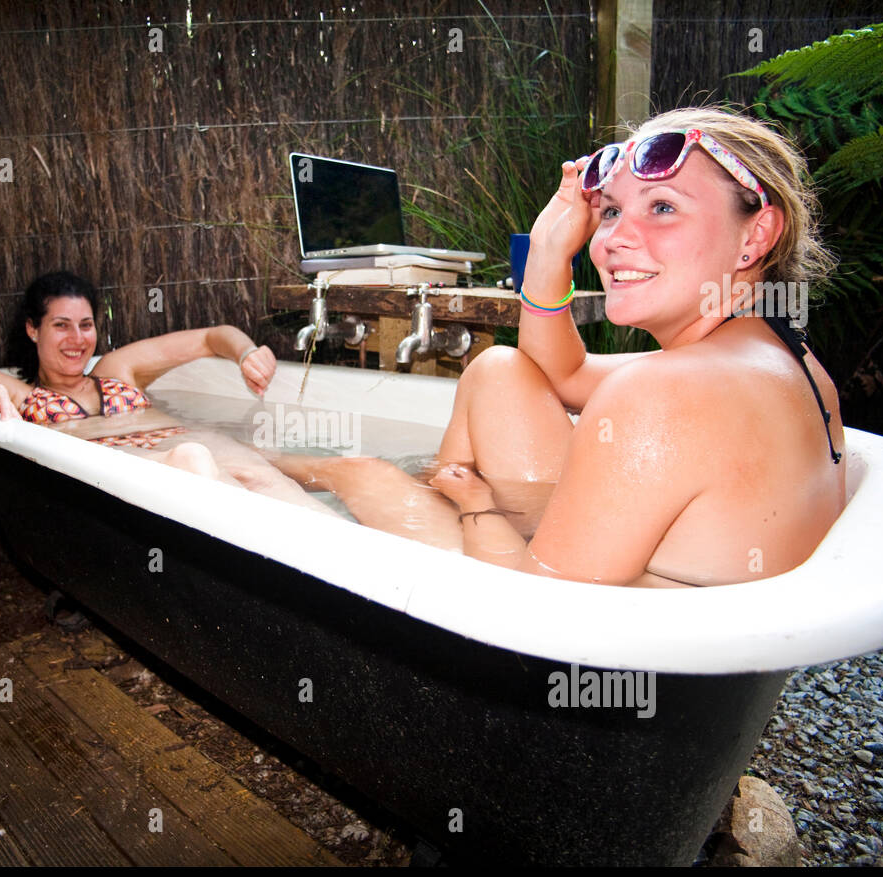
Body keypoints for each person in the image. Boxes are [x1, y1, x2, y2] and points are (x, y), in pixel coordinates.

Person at [275, 107, 845, 586]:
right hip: (652, 614)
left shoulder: (666, 394)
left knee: (357, 474)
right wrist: (549, 250)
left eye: (664, 207)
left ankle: (271, 479)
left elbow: (537, 617)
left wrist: (479, 507)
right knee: (498, 370)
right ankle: (409, 488)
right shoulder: (779, 361)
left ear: (756, 236)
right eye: (615, 210)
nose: (615, 238)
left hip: (606, 655)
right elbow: (563, 372)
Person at [0, 271, 337, 513]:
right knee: (192, 462)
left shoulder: (117, 371)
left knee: (264, 480)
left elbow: (212, 336)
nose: (77, 339)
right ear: (32, 330)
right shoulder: (23, 395)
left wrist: (244, 353)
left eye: (85, 325)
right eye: (60, 326)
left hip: (187, 442)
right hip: (151, 468)